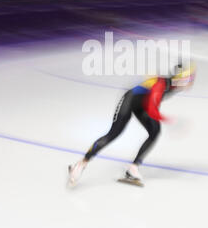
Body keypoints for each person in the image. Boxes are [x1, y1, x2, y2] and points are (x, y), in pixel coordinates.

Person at [68, 64, 196, 186]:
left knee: (155, 131)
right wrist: (171, 121)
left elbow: (151, 102)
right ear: (181, 78)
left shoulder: (173, 86)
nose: (191, 81)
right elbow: (152, 110)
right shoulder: (162, 84)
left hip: (142, 104)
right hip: (129, 100)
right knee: (113, 134)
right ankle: (80, 164)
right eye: (189, 78)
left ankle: (133, 168)